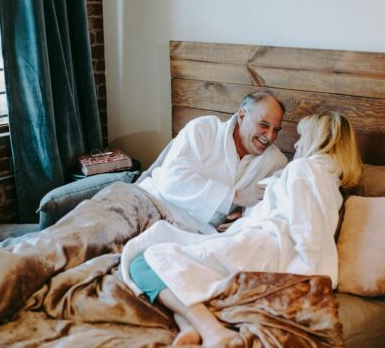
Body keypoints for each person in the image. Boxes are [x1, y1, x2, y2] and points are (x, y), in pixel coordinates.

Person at [120, 111, 363, 346]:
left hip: (261, 246)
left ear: (319, 139)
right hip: (260, 242)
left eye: (303, 137)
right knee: (171, 263)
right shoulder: (329, 180)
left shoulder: (305, 169)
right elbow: (304, 219)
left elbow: (307, 229)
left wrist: (310, 281)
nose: (296, 145)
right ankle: (190, 328)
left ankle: (213, 332)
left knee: (144, 262)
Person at [137, 90, 288, 232]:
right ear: (242, 116)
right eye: (264, 125)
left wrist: (245, 214)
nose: (269, 136)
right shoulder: (204, 129)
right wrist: (235, 197)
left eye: (276, 130)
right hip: (151, 203)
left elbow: (275, 205)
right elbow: (172, 182)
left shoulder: (276, 162)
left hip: (194, 233)